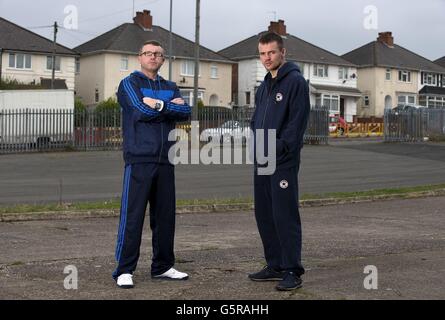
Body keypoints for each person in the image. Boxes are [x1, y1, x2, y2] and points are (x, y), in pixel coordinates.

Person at [112, 40, 191, 288]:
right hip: (139, 159)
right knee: (133, 216)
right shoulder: (129, 84)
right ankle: (124, 269)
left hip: (166, 159)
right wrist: (169, 108)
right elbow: (138, 111)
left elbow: (185, 112)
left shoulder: (170, 86)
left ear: (163, 59)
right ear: (140, 57)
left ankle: (163, 266)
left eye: (158, 54)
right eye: (148, 53)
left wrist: (157, 104)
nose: (153, 57)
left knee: (165, 217)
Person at [248, 32, 310, 291]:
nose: (266, 58)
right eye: (262, 54)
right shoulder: (265, 85)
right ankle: (274, 265)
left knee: (284, 215)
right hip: (262, 159)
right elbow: (256, 120)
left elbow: (296, 124)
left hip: (282, 160)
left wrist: (281, 147)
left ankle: (292, 270)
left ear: (282, 52)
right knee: (265, 214)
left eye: (271, 52)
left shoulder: (295, 82)